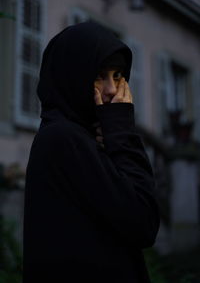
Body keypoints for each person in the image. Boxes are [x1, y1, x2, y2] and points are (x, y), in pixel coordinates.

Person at [23, 21, 160, 283]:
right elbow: (143, 222)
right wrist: (123, 133)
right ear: (71, 77)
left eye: (118, 76)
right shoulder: (65, 139)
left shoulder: (82, 136)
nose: (110, 90)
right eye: (99, 75)